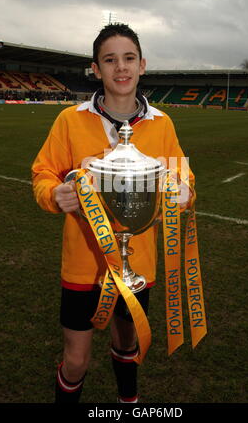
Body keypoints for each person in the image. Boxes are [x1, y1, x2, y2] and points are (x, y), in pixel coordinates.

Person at [32, 23, 195, 404]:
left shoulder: (162, 124)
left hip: (139, 265)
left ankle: (129, 405)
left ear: (142, 65)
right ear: (96, 69)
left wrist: (185, 192)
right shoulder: (70, 120)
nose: (120, 68)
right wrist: (54, 195)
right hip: (82, 266)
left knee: (129, 345)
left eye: (128, 59)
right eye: (110, 60)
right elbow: (42, 174)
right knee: (76, 360)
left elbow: (182, 174)